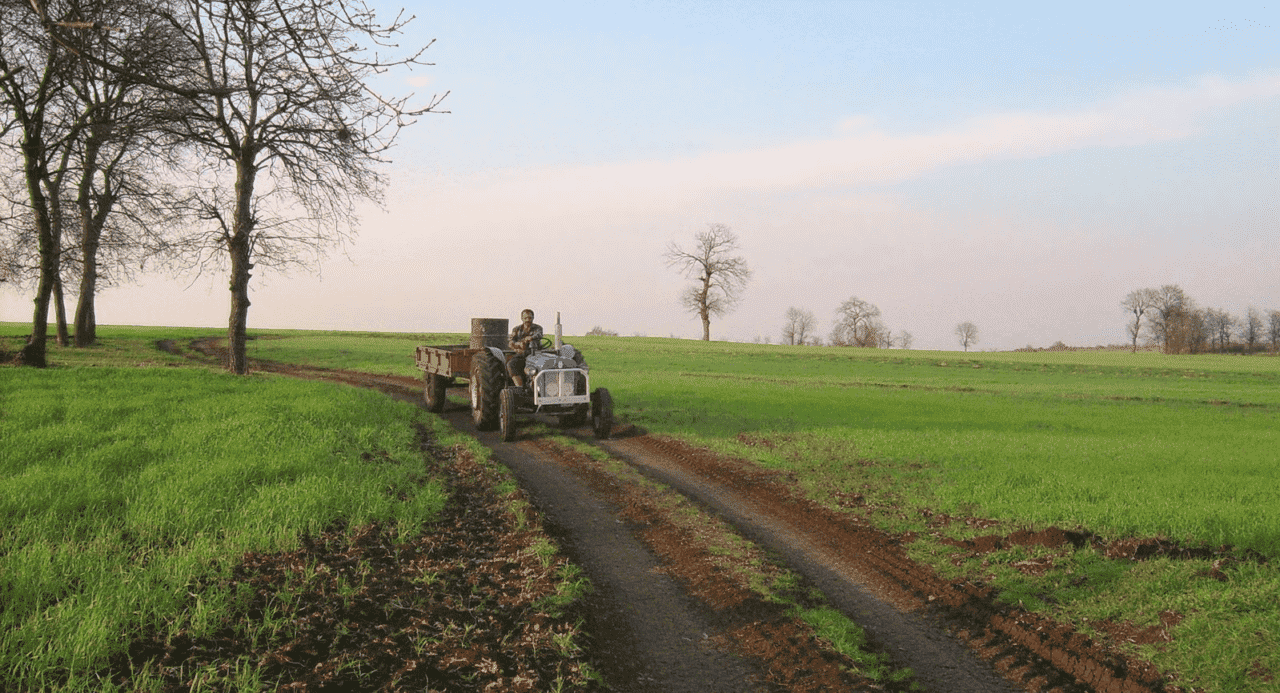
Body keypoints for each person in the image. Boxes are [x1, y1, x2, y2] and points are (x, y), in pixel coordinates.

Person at [507, 308, 543, 387]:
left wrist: (530, 338)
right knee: (511, 364)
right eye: (525, 318)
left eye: (530, 318)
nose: (527, 320)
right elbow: (511, 342)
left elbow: (539, 335)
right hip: (522, 354)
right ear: (522, 318)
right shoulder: (516, 329)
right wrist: (518, 346)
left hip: (536, 354)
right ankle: (520, 387)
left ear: (533, 318)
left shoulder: (538, 328)